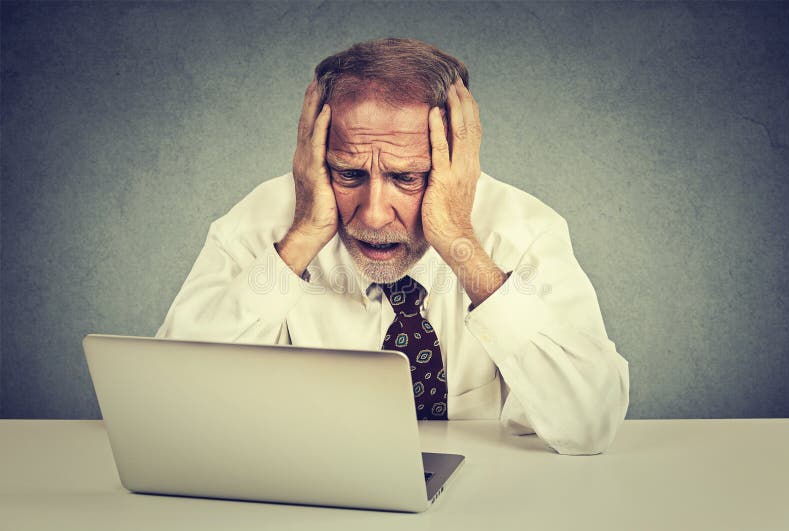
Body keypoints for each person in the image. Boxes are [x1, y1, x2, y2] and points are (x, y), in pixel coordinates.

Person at [156, 38, 630, 455]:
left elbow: (589, 424)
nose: (375, 213)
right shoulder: (262, 224)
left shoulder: (525, 232)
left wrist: (462, 245)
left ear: (456, 162)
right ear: (315, 157)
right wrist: (299, 241)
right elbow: (170, 409)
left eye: (406, 177)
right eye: (348, 173)